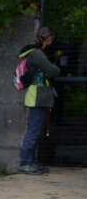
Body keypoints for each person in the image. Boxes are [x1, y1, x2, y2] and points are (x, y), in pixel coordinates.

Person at [17, 26, 60, 175]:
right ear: (47, 39)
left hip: (38, 97)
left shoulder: (35, 53)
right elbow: (52, 70)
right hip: (37, 97)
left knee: (35, 131)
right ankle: (25, 163)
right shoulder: (37, 54)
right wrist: (57, 69)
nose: (51, 42)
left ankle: (31, 163)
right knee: (33, 132)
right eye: (51, 39)